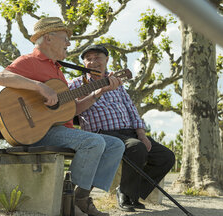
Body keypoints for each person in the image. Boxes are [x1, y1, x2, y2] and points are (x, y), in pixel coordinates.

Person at [0, 17, 125, 216]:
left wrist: (98, 92)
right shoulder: (30, 61)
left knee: (116, 145)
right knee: (93, 142)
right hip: (38, 131)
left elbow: (71, 110)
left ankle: (80, 197)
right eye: (65, 38)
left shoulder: (57, 69)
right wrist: (40, 87)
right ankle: (69, 200)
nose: (68, 43)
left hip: (59, 129)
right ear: (48, 38)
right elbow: (1, 77)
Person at [69, 45, 175, 212]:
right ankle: (125, 194)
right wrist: (99, 91)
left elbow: (131, 109)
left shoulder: (117, 83)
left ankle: (132, 192)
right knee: (136, 148)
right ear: (83, 63)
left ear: (107, 60)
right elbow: (73, 110)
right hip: (101, 133)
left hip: (129, 133)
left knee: (166, 156)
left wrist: (142, 133)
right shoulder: (75, 84)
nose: (93, 61)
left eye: (97, 57)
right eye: (88, 59)